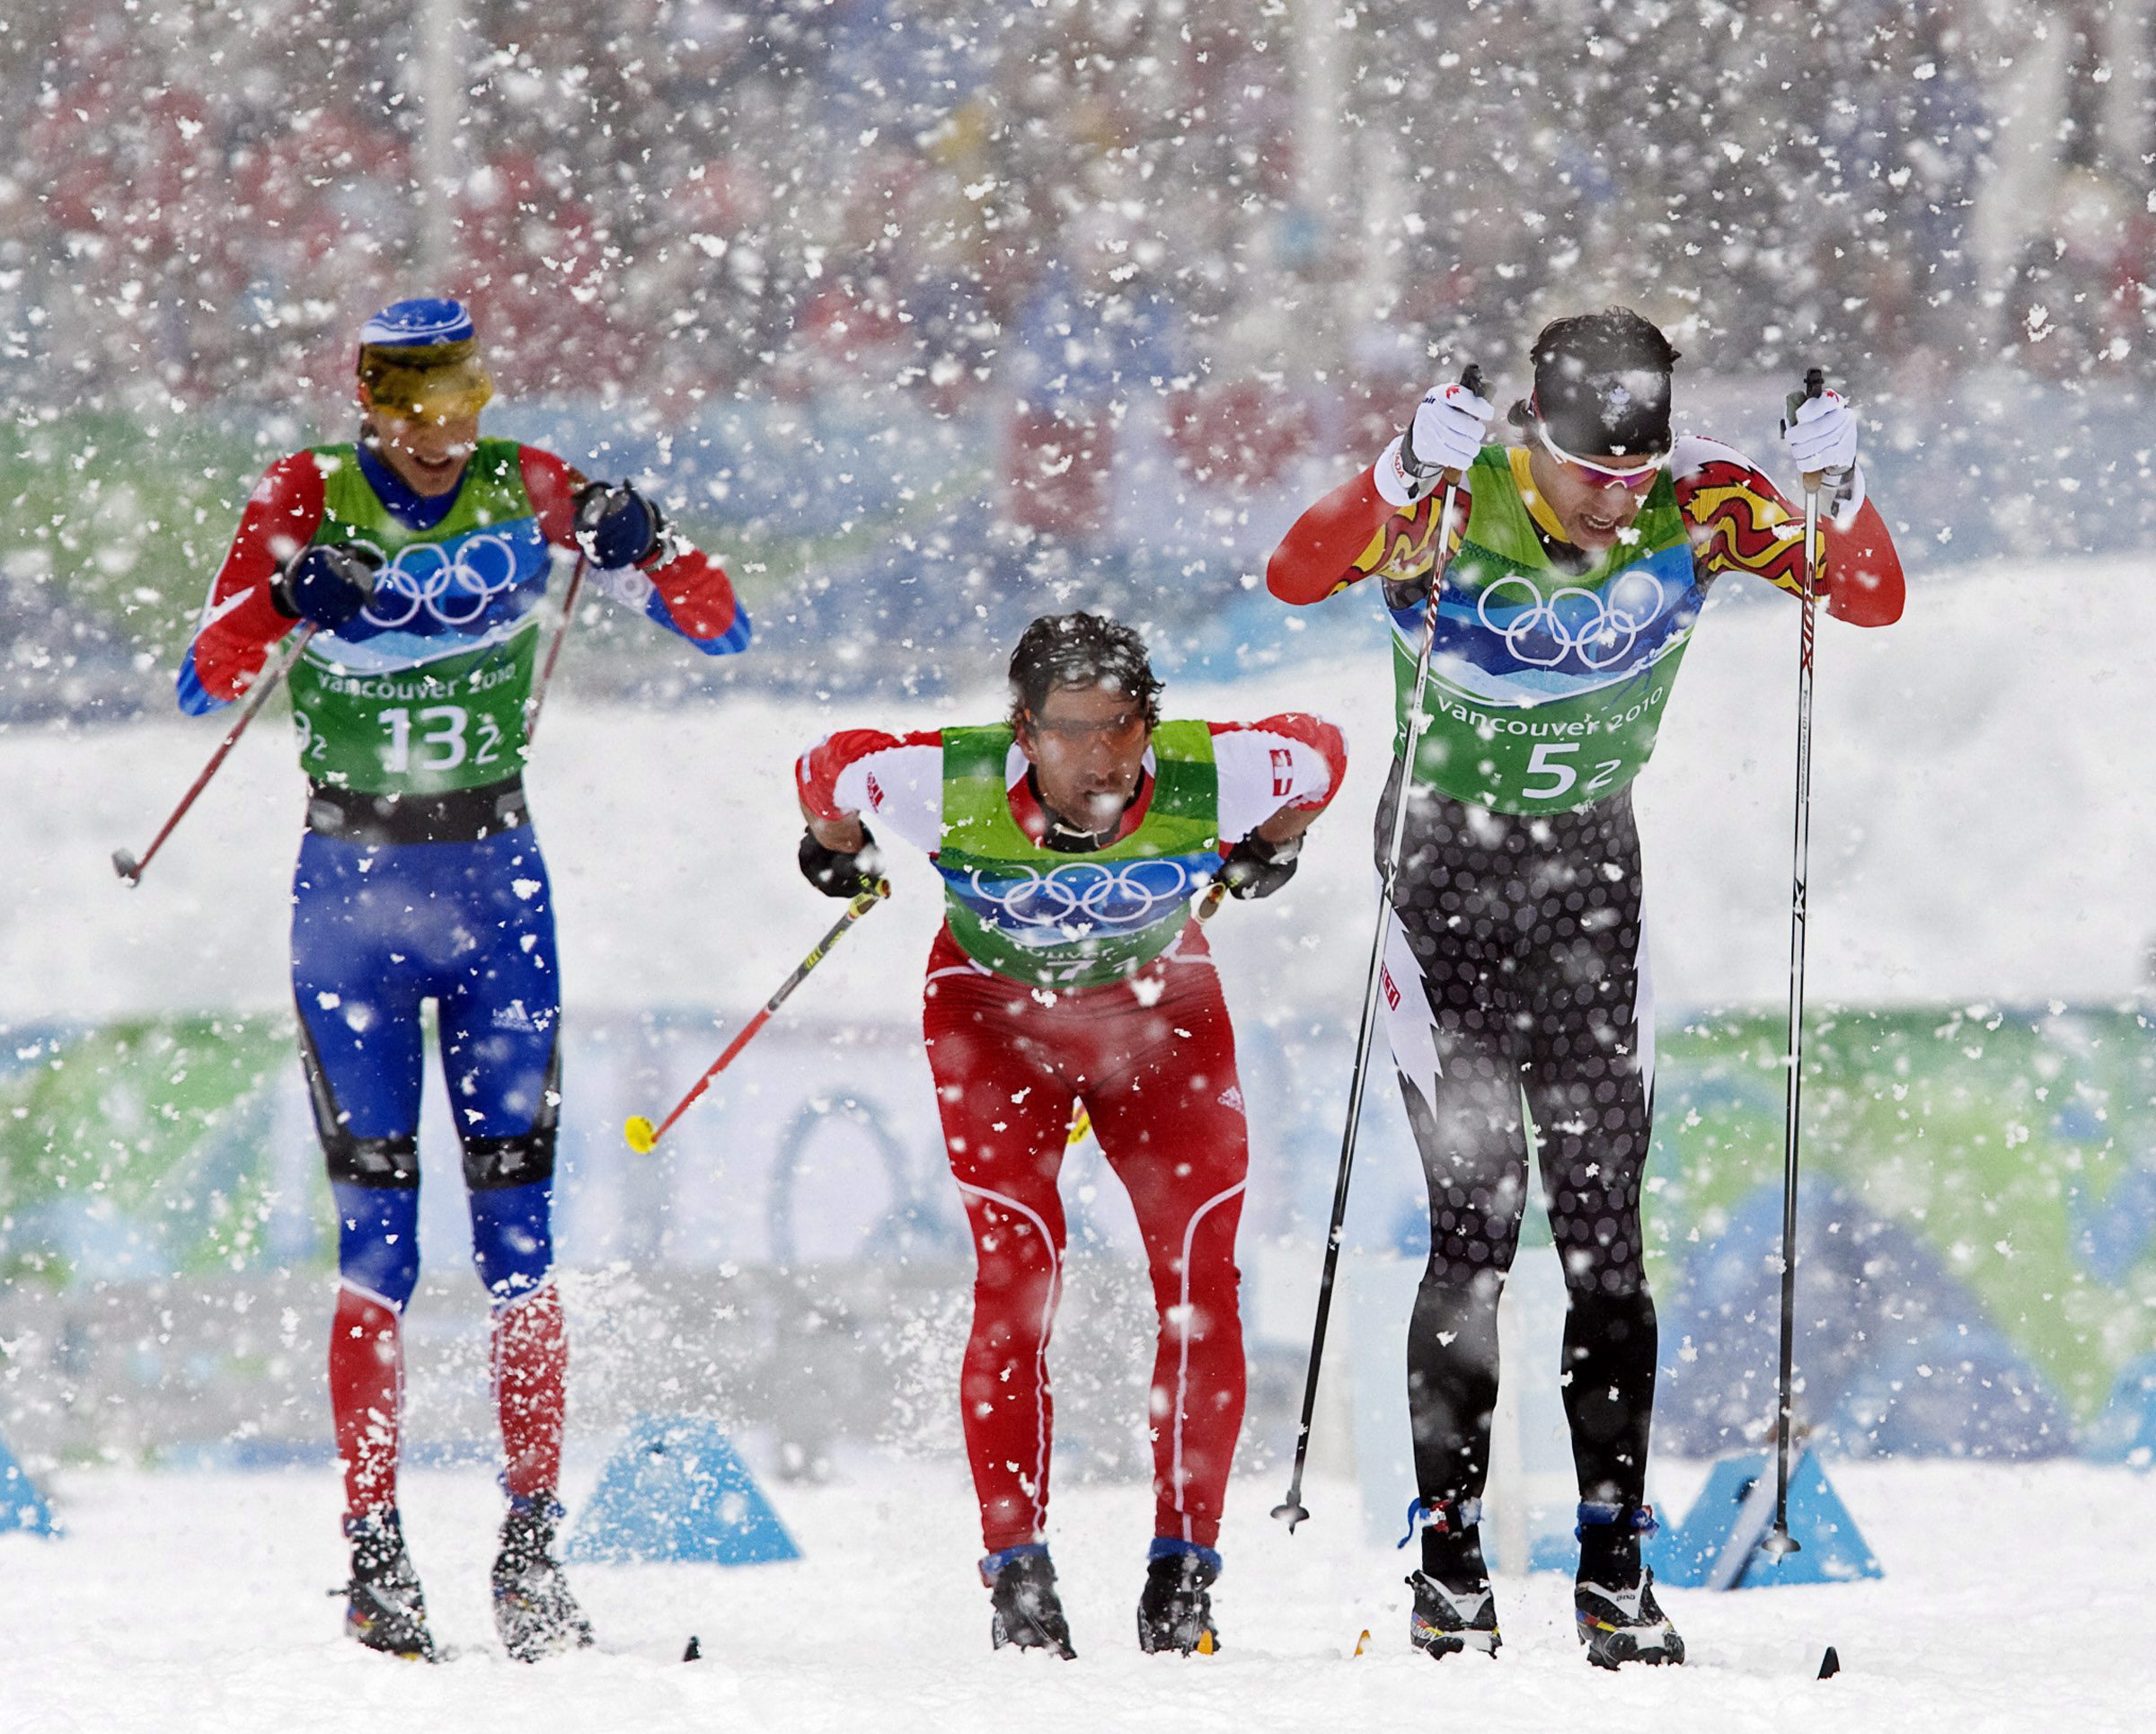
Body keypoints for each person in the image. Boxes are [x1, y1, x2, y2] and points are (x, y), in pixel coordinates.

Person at [1266, 309, 1904, 1668]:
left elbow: (1866, 595)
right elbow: (1293, 572)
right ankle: (1451, 1565)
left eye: (1637, 473)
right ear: (1528, 437)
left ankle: (1617, 1569)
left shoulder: (1704, 497)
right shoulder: (1452, 493)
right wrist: (1390, 469)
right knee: (1475, 1241)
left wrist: (1840, 490)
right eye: (1588, 472)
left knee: (1611, 1245)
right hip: (1444, 891)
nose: (1618, 499)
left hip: (1589, 893)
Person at [177, 296, 752, 1660]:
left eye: (463, 407)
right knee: (379, 1241)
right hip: (353, 898)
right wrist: (278, 597)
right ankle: (376, 1555)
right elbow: (205, 685)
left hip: (496, 886)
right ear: (371, 404)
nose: (442, 440)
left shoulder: (529, 484)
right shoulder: (302, 493)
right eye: (415, 410)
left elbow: (721, 628)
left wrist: (649, 542)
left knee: (520, 1241)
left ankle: (529, 1548)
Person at [793, 613, 1345, 1658]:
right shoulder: (939, 781)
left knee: (1200, 1281)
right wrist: (836, 847)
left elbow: (1322, 754)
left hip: (1158, 1019)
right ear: (1023, 731)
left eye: (1124, 726)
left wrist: (1271, 845)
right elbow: (827, 767)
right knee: (1016, 1277)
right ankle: (1018, 1570)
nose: (1102, 756)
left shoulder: (1208, 770)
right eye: (1071, 731)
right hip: (997, 1027)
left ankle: (1186, 1567)